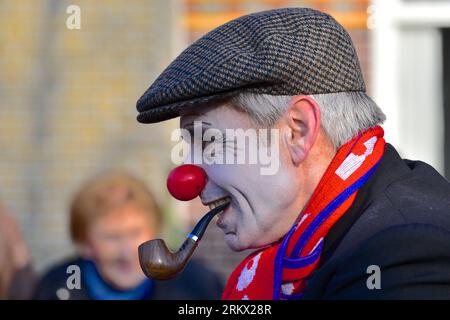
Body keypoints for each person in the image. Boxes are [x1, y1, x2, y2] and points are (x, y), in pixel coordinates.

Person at [135, 8, 450, 299]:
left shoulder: (405, 254)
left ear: (297, 130)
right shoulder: (313, 242)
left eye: (210, 142)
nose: (187, 181)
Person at [34, 171, 223, 299]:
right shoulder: (56, 286)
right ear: (85, 244)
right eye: (112, 237)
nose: (127, 252)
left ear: (155, 233)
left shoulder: (196, 284)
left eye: (135, 233)